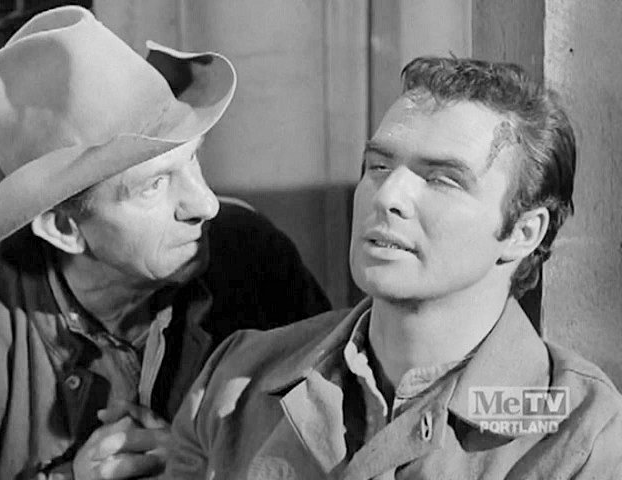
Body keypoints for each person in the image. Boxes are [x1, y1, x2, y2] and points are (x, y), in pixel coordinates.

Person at [166, 56, 622, 479]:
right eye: (379, 166)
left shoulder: (581, 433)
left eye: (442, 179)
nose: (387, 197)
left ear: (523, 232)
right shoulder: (237, 383)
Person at [0, 6, 330, 480]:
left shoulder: (252, 255)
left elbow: (340, 445)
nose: (205, 204)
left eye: (193, 160)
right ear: (63, 228)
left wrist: (212, 463)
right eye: (154, 185)